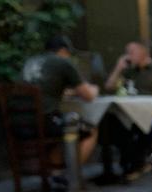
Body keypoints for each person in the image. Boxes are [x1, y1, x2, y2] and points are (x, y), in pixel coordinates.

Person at [96, 41, 152, 183]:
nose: (127, 56)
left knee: (145, 126)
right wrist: (118, 68)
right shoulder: (129, 71)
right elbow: (109, 87)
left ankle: (137, 164)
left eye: (131, 52)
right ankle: (129, 165)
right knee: (111, 124)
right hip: (129, 112)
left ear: (144, 52)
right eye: (126, 52)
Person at [21, 36, 99, 167]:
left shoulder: (30, 62)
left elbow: (44, 89)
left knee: (61, 128)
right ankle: (72, 177)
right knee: (90, 130)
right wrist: (95, 89)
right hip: (44, 121)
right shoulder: (62, 62)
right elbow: (88, 96)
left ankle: (56, 175)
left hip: (19, 122)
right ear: (63, 51)